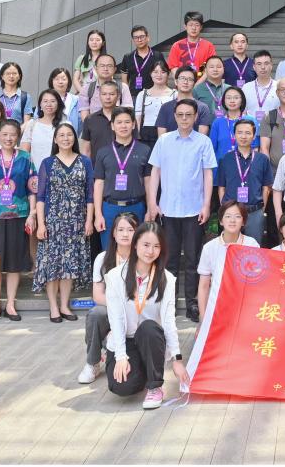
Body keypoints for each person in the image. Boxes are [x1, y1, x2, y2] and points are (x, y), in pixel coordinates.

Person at [147, 99, 217, 322]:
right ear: (174, 116)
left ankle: (192, 304)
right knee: (169, 260)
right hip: (168, 210)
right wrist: (152, 202)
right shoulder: (164, 141)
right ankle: (167, 302)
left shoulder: (203, 142)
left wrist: (206, 205)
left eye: (189, 115)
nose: (184, 118)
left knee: (193, 259)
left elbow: (208, 174)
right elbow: (155, 172)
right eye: (180, 115)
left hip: (194, 210)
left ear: (196, 117)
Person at [104, 221, 187, 407]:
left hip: (150, 339)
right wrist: (120, 356)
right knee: (122, 387)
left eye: (156, 246)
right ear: (135, 244)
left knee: (149, 327)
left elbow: (169, 321)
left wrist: (177, 359)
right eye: (146, 245)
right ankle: (144, 370)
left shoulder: (167, 279)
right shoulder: (115, 277)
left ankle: (155, 386)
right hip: (125, 340)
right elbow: (116, 319)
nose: (150, 251)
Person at [186, 201, 261, 383]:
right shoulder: (210, 248)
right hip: (217, 309)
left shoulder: (251, 244)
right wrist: (203, 318)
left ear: (244, 221)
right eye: (228, 216)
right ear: (220, 220)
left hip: (244, 309)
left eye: (237, 216)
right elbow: (203, 286)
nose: (232, 220)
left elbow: (258, 283)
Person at [0, 119, 38, 323]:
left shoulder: (26, 158)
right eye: (4, 134)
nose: (9, 138)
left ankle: (10, 303)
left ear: (18, 136)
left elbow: (33, 188)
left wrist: (32, 214)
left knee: (14, 262)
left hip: (19, 217)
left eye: (12, 134)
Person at [34, 123, 93, 322]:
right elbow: (40, 196)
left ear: (74, 138)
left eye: (69, 135)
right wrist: (41, 224)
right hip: (53, 222)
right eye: (61, 135)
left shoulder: (85, 162)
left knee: (69, 265)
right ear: (55, 139)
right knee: (53, 266)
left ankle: (65, 305)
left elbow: (90, 195)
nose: (66, 138)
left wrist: (89, 220)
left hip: (76, 222)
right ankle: (53, 306)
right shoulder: (48, 163)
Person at [79, 213, 135, 385]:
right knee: (96, 314)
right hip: (110, 308)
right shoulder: (103, 258)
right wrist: (118, 308)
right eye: (121, 230)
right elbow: (98, 296)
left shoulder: (142, 258)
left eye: (130, 230)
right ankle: (93, 363)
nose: (125, 234)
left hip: (136, 311)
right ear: (114, 233)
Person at [93, 108, 152, 249]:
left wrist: (150, 209)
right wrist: (98, 214)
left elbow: (148, 182)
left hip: (136, 206)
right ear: (112, 126)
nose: (123, 126)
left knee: (136, 249)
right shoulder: (103, 152)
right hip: (110, 208)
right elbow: (99, 183)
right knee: (109, 250)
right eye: (119, 122)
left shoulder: (144, 150)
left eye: (127, 122)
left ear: (133, 124)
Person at [217, 119, 274, 242]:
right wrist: (225, 208)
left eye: (248, 133)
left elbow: (266, 188)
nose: (243, 136)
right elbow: (221, 187)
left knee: (253, 249)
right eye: (240, 132)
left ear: (253, 136)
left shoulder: (262, 159)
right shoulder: (225, 159)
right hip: (231, 212)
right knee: (230, 247)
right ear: (234, 135)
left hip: (254, 212)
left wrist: (261, 210)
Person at [156, 65, 214, 137]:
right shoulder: (165, 107)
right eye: (182, 78)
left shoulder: (202, 107)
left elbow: (202, 138)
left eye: (190, 79)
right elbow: (161, 138)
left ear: (194, 83)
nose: (186, 82)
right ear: (176, 81)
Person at [209, 86, 260, 165]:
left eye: (236, 98)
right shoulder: (217, 122)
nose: (232, 101)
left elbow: (255, 148)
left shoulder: (251, 120)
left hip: (245, 167)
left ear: (242, 100)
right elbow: (212, 149)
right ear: (224, 101)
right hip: (221, 167)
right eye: (228, 98)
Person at [117, 25, 166, 101]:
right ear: (133, 40)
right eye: (136, 37)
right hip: (134, 96)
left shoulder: (157, 55)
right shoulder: (127, 57)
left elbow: (164, 75)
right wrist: (127, 97)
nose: (139, 40)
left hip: (154, 95)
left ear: (148, 38)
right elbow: (124, 80)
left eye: (142, 36)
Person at [134, 59, 175, 147]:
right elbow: (138, 118)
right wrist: (137, 137)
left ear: (168, 74)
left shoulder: (175, 94)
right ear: (151, 74)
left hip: (168, 132)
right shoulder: (142, 94)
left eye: (163, 72)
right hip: (146, 135)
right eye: (155, 72)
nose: (159, 75)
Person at [79, 54, 134, 120]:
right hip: (94, 125)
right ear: (96, 68)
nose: (105, 69)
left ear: (115, 69)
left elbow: (128, 113)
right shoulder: (87, 88)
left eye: (109, 66)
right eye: (102, 66)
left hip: (117, 125)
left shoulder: (123, 87)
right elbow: (85, 117)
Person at [20, 89, 63, 171]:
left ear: (58, 104)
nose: (49, 104)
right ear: (40, 105)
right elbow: (24, 152)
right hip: (35, 172)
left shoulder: (65, 125)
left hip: (58, 173)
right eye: (45, 101)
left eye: (53, 101)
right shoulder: (32, 124)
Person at [79, 82, 121, 163]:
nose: (108, 97)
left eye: (112, 94)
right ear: (99, 96)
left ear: (118, 96)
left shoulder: (127, 119)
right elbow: (86, 150)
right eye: (104, 94)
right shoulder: (90, 119)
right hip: (97, 167)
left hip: (122, 166)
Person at [167, 11, 215, 80]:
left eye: (197, 25)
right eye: (190, 25)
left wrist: (198, 83)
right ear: (185, 26)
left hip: (202, 84)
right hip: (182, 84)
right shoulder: (177, 46)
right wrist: (182, 82)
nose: (194, 28)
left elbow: (209, 67)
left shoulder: (209, 46)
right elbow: (173, 67)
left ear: (201, 27)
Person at [242, 50, 280, 123]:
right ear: (254, 67)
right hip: (251, 128)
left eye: (266, 63)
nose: (263, 67)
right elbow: (243, 112)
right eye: (259, 64)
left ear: (271, 65)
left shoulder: (278, 87)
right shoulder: (246, 88)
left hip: (273, 128)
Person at [49, 67, 82, 133]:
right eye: (57, 79)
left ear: (68, 81)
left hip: (70, 136)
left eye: (63, 79)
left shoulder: (76, 100)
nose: (60, 82)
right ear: (51, 81)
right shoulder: (45, 98)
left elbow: (81, 122)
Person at [74, 29, 107, 95]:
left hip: (101, 93)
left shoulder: (107, 59)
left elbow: (109, 79)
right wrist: (83, 93)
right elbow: (75, 79)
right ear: (88, 43)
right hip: (84, 92)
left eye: (97, 40)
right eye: (91, 40)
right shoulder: (81, 59)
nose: (94, 42)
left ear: (103, 43)